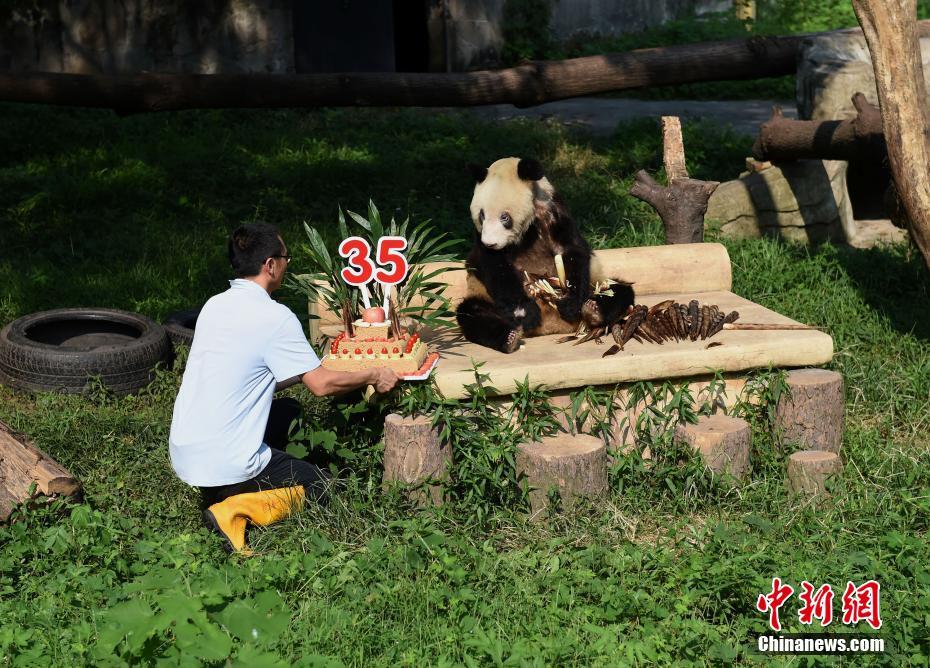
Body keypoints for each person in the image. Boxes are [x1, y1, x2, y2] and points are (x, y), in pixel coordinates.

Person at [169, 222, 399, 553]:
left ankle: (226, 489)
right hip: (226, 459)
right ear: (270, 265)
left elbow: (247, 376)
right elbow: (321, 386)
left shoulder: (214, 306)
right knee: (330, 488)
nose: (287, 264)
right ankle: (234, 509)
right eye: (286, 257)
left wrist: (313, 366)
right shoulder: (275, 316)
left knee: (288, 411)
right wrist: (373, 374)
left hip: (187, 453)